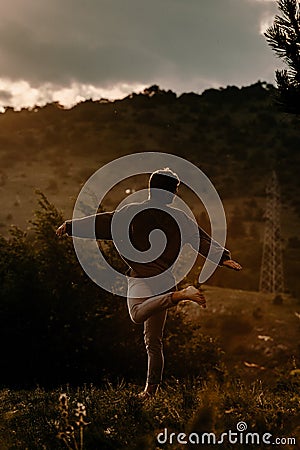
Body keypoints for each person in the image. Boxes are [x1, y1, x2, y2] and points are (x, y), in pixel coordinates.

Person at [56, 168, 242, 398]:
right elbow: (200, 239)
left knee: (137, 317)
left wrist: (71, 226)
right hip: (165, 282)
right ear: (166, 191)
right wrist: (223, 258)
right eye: (174, 191)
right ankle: (150, 392)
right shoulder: (179, 218)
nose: (175, 195)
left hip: (142, 280)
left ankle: (178, 298)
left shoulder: (132, 212)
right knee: (154, 342)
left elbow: (103, 223)